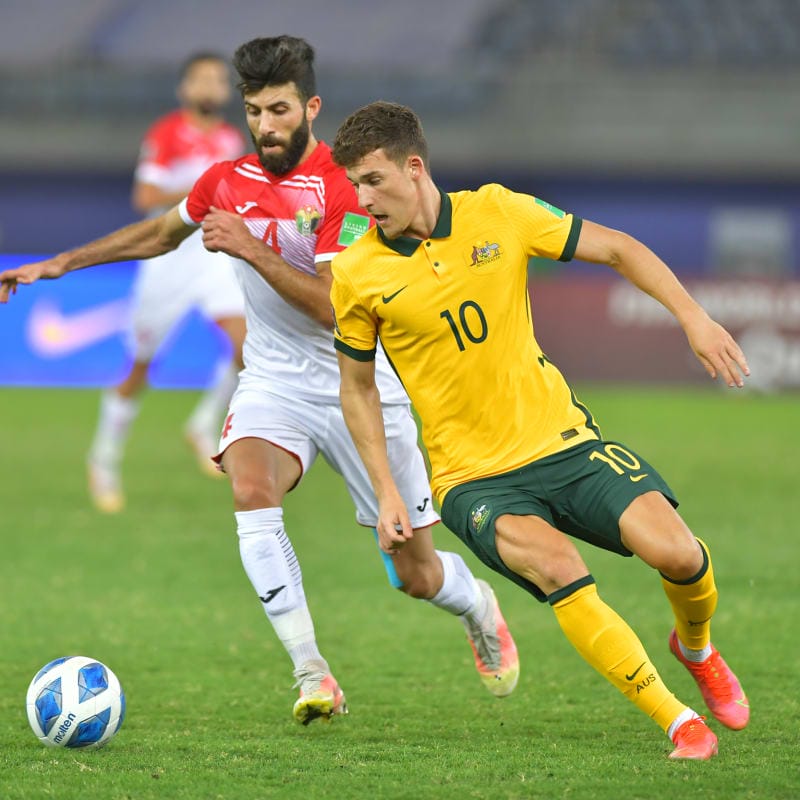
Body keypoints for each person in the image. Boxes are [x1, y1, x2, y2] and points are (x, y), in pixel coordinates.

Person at [0, 38, 518, 725]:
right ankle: (313, 674)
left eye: (279, 109)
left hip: (361, 383)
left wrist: (248, 246)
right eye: (255, 111)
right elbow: (160, 232)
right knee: (248, 486)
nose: (267, 125)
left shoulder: (346, 187)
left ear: (311, 107)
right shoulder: (226, 178)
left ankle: (478, 603)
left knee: (414, 575)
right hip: (274, 381)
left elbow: (337, 307)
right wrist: (59, 264)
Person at [328, 101, 751, 759]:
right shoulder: (357, 272)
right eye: (354, 184)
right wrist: (386, 491)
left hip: (564, 442)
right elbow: (355, 389)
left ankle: (694, 646)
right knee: (560, 567)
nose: (363, 198)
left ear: (414, 168)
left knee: (681, 557)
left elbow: (617, 247)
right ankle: (679, 723)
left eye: (373, 180)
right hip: (472, 479)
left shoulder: (499, 211)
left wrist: (694, 318)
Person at [88, 52, 248, 513]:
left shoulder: (230, 138)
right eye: (201, 79)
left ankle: (203, 425)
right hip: (167, 259)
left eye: (218, 80)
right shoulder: (166, 134)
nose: (210, 86)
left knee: (247, 347)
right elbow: (145, 196)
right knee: (141, 367)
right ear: (184, 89)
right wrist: (201, 188)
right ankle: (103, 458)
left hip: (214, 256)